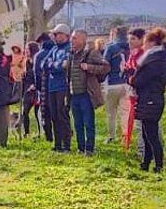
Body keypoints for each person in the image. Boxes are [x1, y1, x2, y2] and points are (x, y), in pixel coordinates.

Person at [128, 27, 166, 172]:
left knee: (151, 134)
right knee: (146, 132)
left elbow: (140, 80)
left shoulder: (154, 60)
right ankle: (146, 162)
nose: (143, 45)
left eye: (146, 42)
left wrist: (131, 77)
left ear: (152, 43)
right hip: (149, 97)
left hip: (150, 98)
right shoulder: (160, 57)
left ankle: (158, 164)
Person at [66, 29, 110, 155]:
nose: (71, 41)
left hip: (86, 94)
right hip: (74, 94)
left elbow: (106, 67)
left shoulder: (92, 53)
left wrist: (89, 67)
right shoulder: (71, 55)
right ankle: (80, 148)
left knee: (88, 122)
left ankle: (89, 148)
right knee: (77, 123)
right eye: (72, 38)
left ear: (83, 40)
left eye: (74, 38)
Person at [44, 23, 74, 152]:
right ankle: (57, 144)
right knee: (54, 116)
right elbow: (44, 64)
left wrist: (55, 65)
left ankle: (66, 145)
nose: (54, 37)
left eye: (56, 34)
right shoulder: (53, 49)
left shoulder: (69, 48)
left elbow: (64, 66)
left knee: (62, 115)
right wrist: (56, 65)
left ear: (64, 35)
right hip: (52, 87)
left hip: (63, 86)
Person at [103, 26, 132, 144]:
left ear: (115, 33)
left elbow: (104, 64)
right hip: (126, 82)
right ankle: (125, 136)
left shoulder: (111, 47)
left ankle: (111, 136)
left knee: (111, 112)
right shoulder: (130, 47)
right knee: (125, 112)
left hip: (112, 83)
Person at [32, 34, 55, 145]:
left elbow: (36, 73)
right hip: (57, 86)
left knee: (45, 112)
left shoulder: (39, 55)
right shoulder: (56, 51)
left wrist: (38, 88)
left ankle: (49, 137)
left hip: (44, 86)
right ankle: (62, 135)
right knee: (58, 111)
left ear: (41, 42)